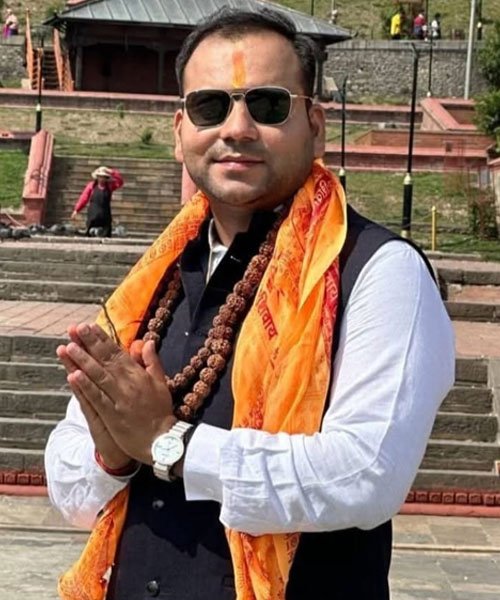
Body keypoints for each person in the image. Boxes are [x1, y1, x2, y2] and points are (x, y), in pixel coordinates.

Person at [45, 7, 455, 600]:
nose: (236, 128)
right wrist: (113, 455)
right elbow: (70, 484)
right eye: (210, 107)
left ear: (315, 125)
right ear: (180, 131)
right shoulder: (153, 281)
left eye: (267, 105)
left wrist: (166, 441)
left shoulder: (379, 271)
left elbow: (367, 474)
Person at [71, 165, 123, 237]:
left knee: (105, 235)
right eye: (100, 177)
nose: (102, 179)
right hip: (93, 216)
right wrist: (76, 210)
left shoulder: (110, 186)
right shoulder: (91, 186)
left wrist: (111, 171)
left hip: (105, 216)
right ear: (97, 177)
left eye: (104, 177)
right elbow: (84, 198)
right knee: (90, 234)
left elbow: (120, 181)